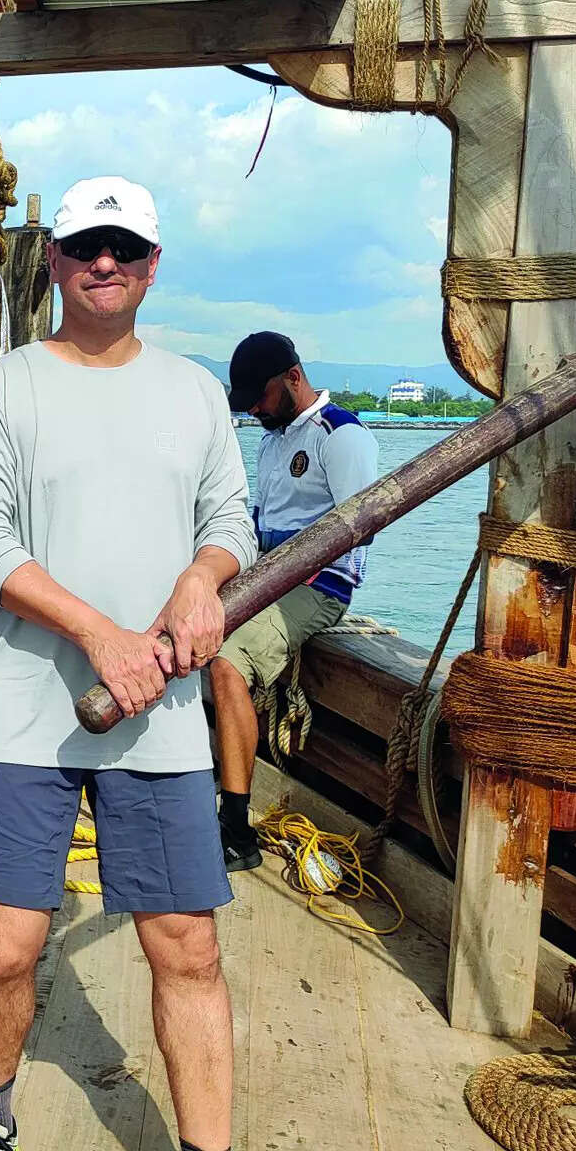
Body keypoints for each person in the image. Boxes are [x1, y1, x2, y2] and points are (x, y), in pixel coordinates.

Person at [0, 177, 275, 1151]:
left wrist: (199, 578)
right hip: (30, 710)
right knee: (2, 946)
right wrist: (101, 633)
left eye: (123, 245)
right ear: (52, 260)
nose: (103, 261)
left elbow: (230, 519)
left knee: (187, 947)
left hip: (163, 722)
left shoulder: (191, 394)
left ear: (150, 261)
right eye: (84, 243)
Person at [208, 333, 379, 871]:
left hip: (317, 588)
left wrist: (281, 571)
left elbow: (360, 528)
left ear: (292, 378)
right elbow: (258, 522)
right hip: (268, 580)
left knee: (227, 664)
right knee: (188, 632)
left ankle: (236, 831)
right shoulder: (273, 438)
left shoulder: (342, 435)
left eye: (259, 397)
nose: (255, 410)